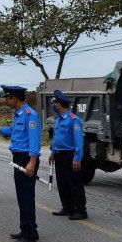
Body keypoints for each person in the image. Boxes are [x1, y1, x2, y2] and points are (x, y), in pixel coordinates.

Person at [0, 85, 42, 242]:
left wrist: (32, 162)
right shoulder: (19, 114)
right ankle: (28, 230)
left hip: (26, 159)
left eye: (7, 97)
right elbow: (11, 131)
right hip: (19, 158)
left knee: (26, 198)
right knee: (22, 197)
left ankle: (29, 237)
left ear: (14, 99)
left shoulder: (30, 115)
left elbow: (34, 141)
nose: (5, 100)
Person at [49, 89, 87, 220]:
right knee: (62, 183)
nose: (54, 105)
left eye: (55, 103)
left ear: (59, 104)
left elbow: (79, 142)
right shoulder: (59, 119)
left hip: (70, 155)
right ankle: (67, 207)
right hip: (59, 155)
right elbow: (56, 138)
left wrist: (77, 159)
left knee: (74, 183)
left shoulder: (74, 120)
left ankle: (81, 210)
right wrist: (52, 153)